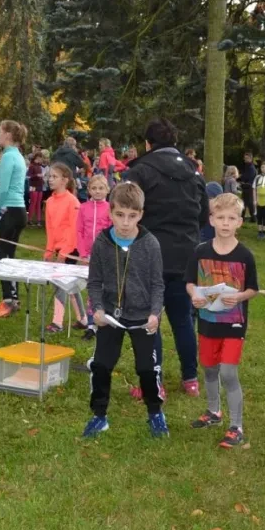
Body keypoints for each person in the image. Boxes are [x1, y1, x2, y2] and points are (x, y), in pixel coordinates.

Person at [124, 118, 210, 398]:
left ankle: (154, 382)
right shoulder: (194, 172)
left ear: (148, 144)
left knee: (151, 320)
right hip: (186, 253)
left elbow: (127, 212)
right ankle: (190, 378)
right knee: (182, 318)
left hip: (151, 253)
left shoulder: (140, 171)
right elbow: (202, 214)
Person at [82, 181, 166, 439]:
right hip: (110, 316)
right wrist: (97, 309)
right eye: (120, 215)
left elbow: (157, 284)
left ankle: (155, 414)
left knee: (147, 369)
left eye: (132, 216)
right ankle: (99, 416)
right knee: (101, 365)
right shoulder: (101, 243)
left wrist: (155, 314)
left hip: (142, 317)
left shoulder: (150, 244)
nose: (125, 222)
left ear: (141, 215)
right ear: (110, 212)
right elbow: (94, 281)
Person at [186, 193, 259, 448]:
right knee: (209, 368)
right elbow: (190, 282)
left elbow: (253, 289)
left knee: (228, 372)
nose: (225, 223)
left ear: (239, 222)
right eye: (221, 217)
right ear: (211, 220)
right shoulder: (200, 251)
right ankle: (213, 411)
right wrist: (195, 295)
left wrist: (238, 297)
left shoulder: (245, 255)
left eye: (231, 218)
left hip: (234, 324)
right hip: (207, 322)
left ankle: (236, 426)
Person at [0, 120, 29, 317]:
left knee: (2, 259)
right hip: (19, 211)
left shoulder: (8, 157)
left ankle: (8, 301)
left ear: (8, 135)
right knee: (10, 258)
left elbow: (2, 190)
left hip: (9, 211)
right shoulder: (18, 156)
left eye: (0, 132)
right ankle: (13, 299)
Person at [43, 163, 87, 332]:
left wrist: (65, 252)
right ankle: (83, 319)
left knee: (60, 283)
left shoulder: (72, 201)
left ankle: (57, 322)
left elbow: (73, 229)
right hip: (58, 248)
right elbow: (50, 229)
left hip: (71, 249)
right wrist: (49, 251)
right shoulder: (50, 201)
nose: (50, 179)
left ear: (65, 180)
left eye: (54, 177)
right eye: (50, 176)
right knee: (70, 285)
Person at [75, 174, 113, 341]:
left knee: (104, 289)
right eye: (94, 188)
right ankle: (91, 325)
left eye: (101, 188)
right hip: (87, 257)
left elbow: (111, 232)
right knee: (92, 289)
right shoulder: (83, 208)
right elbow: (79, 231)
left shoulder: (110, 208)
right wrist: (83, 253)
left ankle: (104, 320)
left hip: (104, 257)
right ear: (89, 190)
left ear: (107, 190)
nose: (97, 191)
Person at [27, 150, 46, 228]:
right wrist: (36, 175)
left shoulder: (39, 166)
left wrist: (42, 178)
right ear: (36, 158)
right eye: (40, 158)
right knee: (33, 202)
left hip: (39, 186)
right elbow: (28, 176)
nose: (41, 159)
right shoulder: (32, 166)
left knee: (38, 203)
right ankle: (29, 219)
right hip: (33, 186)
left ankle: (38, 220)